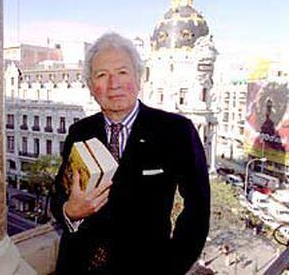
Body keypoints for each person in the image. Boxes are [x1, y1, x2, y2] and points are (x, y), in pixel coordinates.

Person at [50, 32, 210, 274]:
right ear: (92, 87)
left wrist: (171, 268)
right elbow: (59, 194)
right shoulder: (80, 132)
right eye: (102, 75)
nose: (113, 84)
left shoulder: (176, 131)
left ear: (139, 77)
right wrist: (70, 211)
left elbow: (198, 209)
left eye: (122, 72)